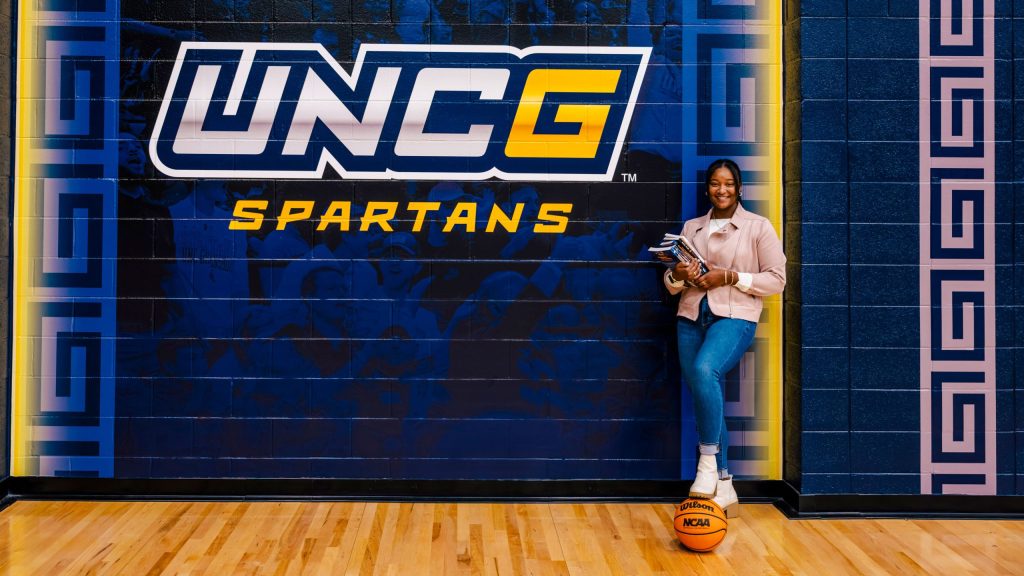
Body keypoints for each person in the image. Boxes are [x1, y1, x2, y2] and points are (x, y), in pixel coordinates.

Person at [663, 159, 786, 518]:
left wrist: (729, 277)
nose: (722, 190)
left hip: (735, 317)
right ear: (707, 189)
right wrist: (678, 274)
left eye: (729, 184)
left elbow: (777, 280)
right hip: (690, 316)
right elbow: (671, 287)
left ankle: (706, 463)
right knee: (706, 394)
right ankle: (726, 484)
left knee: (705, 371)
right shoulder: (692, 227)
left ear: (740, 188)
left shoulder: (758, 227)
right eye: (715, 184)